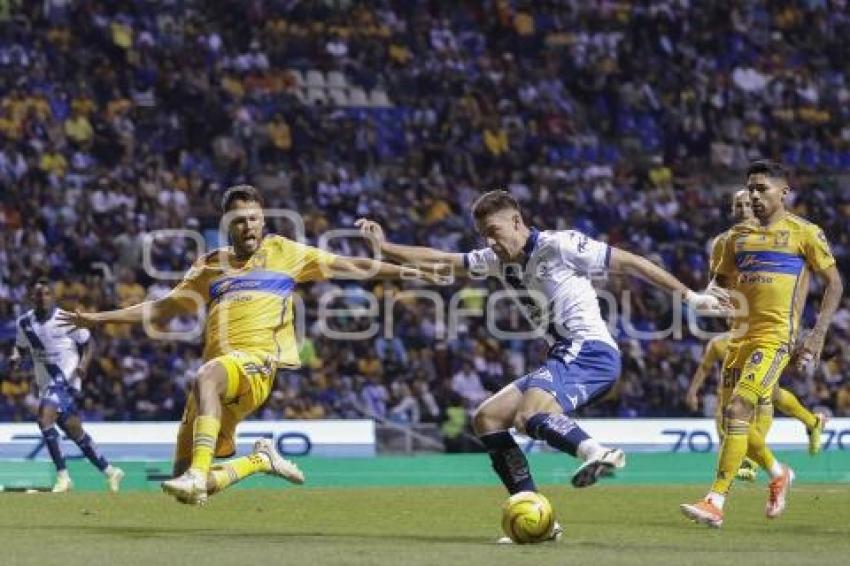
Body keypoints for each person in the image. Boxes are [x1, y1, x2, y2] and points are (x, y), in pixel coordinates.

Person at [358, 190, 724, 540]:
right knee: (488, 418)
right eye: (484, 236)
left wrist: (691, 297)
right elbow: (441, 260)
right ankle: (536, 511)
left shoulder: (559, 245)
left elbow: (631, 262)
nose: (490, 243)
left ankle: (597, 452)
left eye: (494, 232)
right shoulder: (495, 260)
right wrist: (386, 247)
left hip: (589, 350)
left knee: (529, 415)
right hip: (564, 354)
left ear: (517, 221)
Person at [60, 184, 435, 505]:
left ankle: (202, 471)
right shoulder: (210, 266)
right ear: (227, 225)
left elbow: (350, 265)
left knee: (205, 379)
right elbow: (160, 310)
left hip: (255, 363)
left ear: (263, 220)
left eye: (254, 217)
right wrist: (98, 318)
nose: (248, 225)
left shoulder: (285, 252)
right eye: (240, 220)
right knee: (185, 484)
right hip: (223, 371)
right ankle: (258, 461)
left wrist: (409, 271)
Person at [681, 160, 843, 528]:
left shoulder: (804, 233)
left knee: (739, 408)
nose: (753, 196)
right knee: (731, 422)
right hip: (737, 339)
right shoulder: (732, 240)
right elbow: (717, 285)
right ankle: (777, 473)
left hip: (774, 339)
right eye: (749, 188)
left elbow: (833, 283)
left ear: (783, 191)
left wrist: (816, 335)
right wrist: (711, 295)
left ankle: (715, 501)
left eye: (761, 189)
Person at [686, 190, 827, 482]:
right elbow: (716, 284)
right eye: (736, 204)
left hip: (772, 330)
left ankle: (752, 466)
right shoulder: (725, 243)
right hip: (740, 330)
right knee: (761, 396)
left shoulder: (784, 237)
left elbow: (798, 284)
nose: (742, 208)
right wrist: (717, 298)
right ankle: (812, 423)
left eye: (747, 203)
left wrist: (797, 327)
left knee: (755, 399)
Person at [11, 277, 124, 492]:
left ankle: (63, 477)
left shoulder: (65, 318)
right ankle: (110, 470)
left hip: (67, 379)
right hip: (46, 382)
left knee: (44, 418)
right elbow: (19, 347)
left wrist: (83, 364)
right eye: (38, 294)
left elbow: (88, 343)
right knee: (74, 430)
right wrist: (16, 357)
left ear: (52, 297)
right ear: (31, 298)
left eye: (46, 293)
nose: (42, 298)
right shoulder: (24, 323)